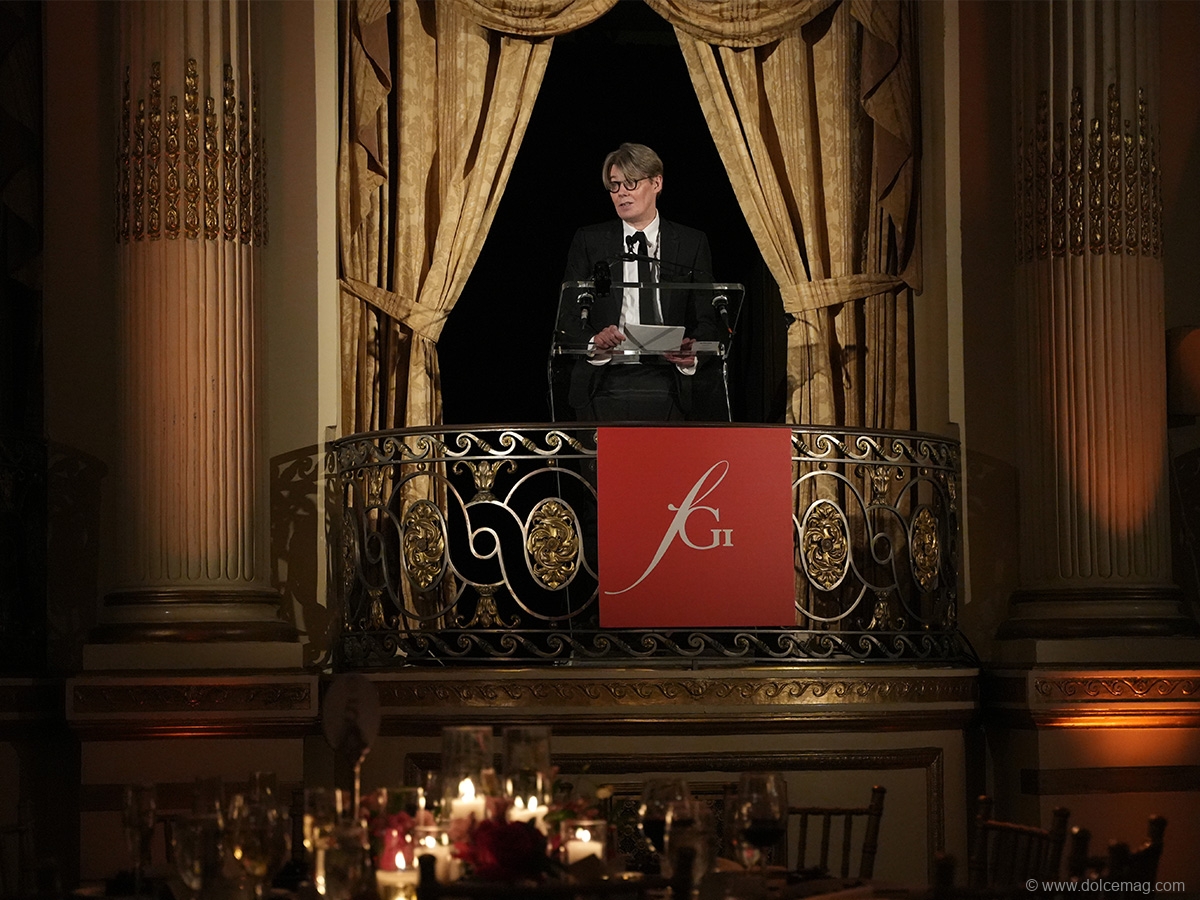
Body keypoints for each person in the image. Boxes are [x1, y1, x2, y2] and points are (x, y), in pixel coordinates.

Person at [557, 142, 721, 421]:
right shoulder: (590, 241)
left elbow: (707, 319)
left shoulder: (691, 243)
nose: (621, 192)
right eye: (614, 185)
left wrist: (691, 353)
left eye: (630, 183)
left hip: (670, 380)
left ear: (656, 183)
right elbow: (567, 317)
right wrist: (594, 341)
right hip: (603, 378)